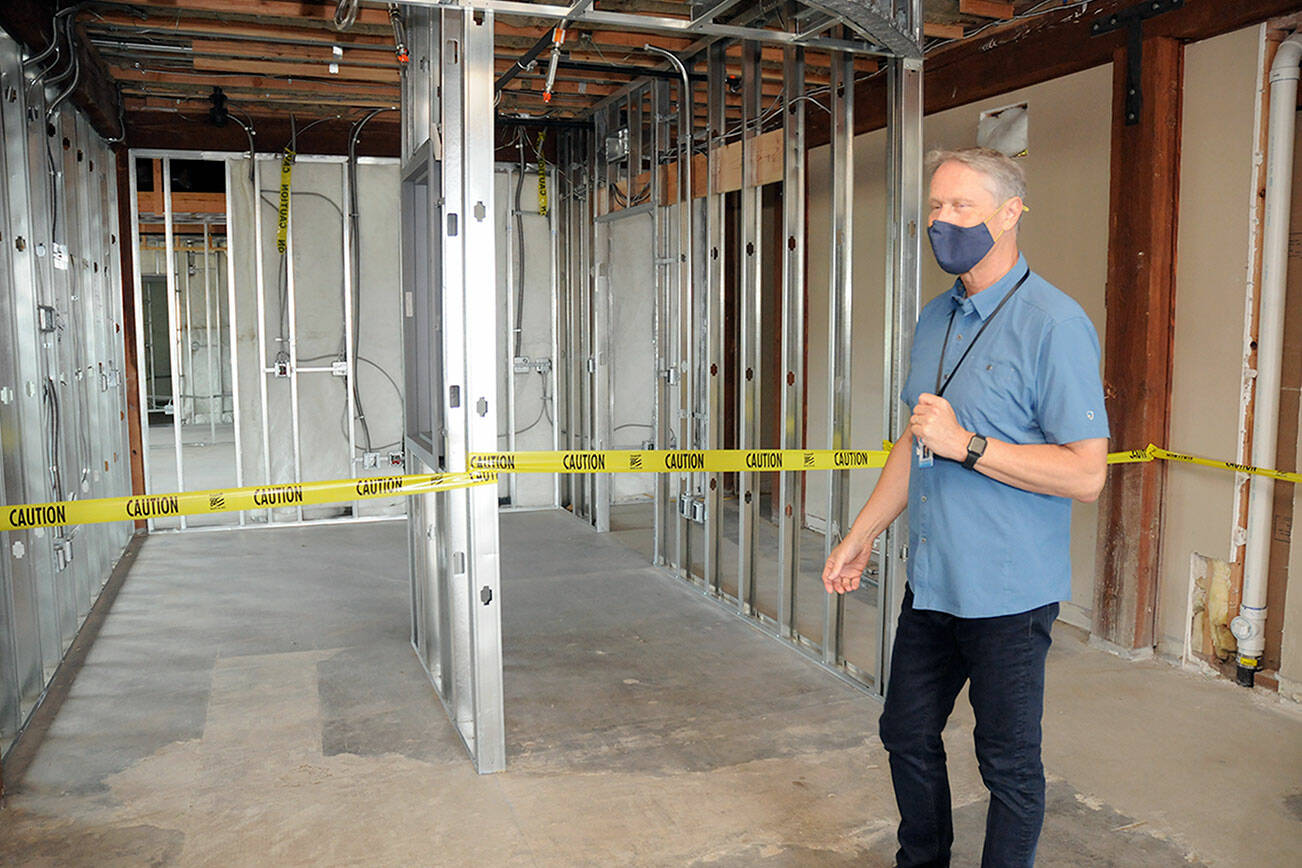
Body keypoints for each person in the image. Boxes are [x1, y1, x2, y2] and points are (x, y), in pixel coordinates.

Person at [821, 147, 1109, 867]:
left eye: (962, 208)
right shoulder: (936, 317)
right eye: (937, 207)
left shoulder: (1054, 324)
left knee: (1007, 766)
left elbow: (1086, 474)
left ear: (1010, 215)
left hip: (1010, 593)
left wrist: (968, 444)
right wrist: (860, 534)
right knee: (905, 732)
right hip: (934, 580)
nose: (943, 221)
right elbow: (915, 439)